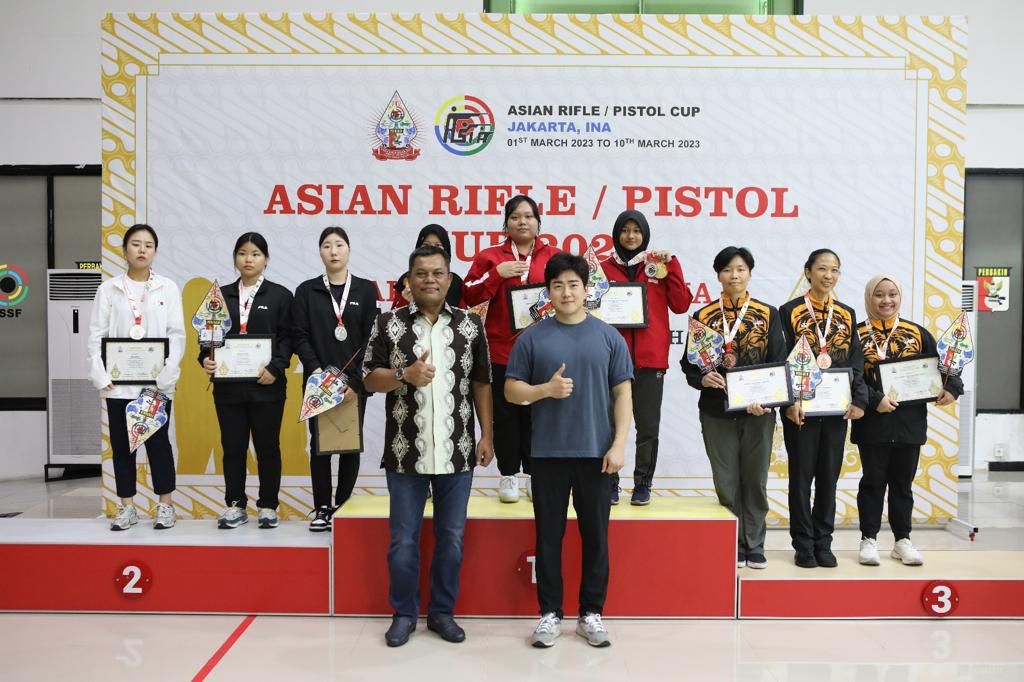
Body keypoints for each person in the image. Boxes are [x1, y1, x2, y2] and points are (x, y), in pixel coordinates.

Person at [363, 245, 494, 647]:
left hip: (458, 451)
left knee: (452, 538)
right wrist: (405, 373)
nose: (430, 280)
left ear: (450, 279)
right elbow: (369, 379)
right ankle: (403, 613)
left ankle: (441, 612)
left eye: (438, 273)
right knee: (403, 540)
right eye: (421, 274)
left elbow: (482, 383)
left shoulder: (471, 325)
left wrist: (487, 434)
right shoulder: (388, 324)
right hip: (405, 453)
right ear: (409, 280)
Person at [504, 253, 633, 649]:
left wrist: (619, 443)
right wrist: (546, 389)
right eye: (557, 285)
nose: (566, 292)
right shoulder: (531, 337)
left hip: (597, 455)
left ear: (586, 289)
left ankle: (591, 613)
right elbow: (511, 391)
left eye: (573, 284)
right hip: (547, 454)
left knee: (596, 537)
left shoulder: (608, 336)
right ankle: (550, 614)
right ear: (548, 292)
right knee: (549, 537)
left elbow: (623, 392)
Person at [681, 247, 786, 569]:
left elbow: (779, 362)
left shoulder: (768, 314)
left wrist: (766, 401)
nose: (735, 275)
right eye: (728, 270)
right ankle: (732, 541)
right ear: (718, 275)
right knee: (726, 480)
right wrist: (703, 378)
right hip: (716, 411)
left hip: (758, 413)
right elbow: (688, 365)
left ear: (750, 273)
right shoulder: (704, 316)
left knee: (754, 480)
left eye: (740, 269)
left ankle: (754, 543)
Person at [852, 275, 961, 566]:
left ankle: (902, 541)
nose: (886, 300)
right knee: (873, 483)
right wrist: (876, 400)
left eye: (892, 294)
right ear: (868, 298)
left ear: (900, 297)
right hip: (872, 423)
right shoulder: (856, 334)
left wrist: (952, 388)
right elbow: (852, 377)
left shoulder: (917, 332)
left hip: (909, 423)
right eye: (879, 295)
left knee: (902, 485)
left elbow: (943, 366)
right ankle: (869, 540)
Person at [87, 223, 185, 531]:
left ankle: (165, 505)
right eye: (136, 244)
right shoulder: (109, 289)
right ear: (124, 249)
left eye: (148, 245)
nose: (142, 250)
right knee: (122, 447)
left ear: (155, 251)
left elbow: (176, 334)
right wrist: (101, 375)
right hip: (118, 385)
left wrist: (167, 373)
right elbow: (96, 335)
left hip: (155, 385)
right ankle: (126, 506)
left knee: (158, 445)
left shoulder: (167, 288)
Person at [462, 195, 559, 503]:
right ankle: (508, 476)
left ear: (538, 222)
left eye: (529, 216)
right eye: (515, 216)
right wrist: (495, 275)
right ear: (506, 223)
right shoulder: (490, 256)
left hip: (542, 350)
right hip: (501, 350)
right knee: (505, 417)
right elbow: (467, 294)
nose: (522, 221)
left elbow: (571, 291)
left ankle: (533, 475)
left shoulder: (553, 256)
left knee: (537, 415)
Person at [780, 248, 869, 568]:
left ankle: (823, 541)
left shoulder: (846, 313)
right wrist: (790, 404)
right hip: (800, 411)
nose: (828, 275)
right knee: (801, 478)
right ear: (807, 272)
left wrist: (859, 400)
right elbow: (781, 361)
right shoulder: (788, 311)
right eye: (821, 269)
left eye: (834, 270)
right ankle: (803, 544)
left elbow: (856, 362)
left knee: (828, 478)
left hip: (835, 411)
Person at [199, 232, 293, 529]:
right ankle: (236, 505)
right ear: (235, 259)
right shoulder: (220, 296)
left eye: (255, 253)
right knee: (233, 448)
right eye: (242, 253)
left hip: (268, 387)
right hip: (229, 389)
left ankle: (268, 505)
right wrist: (205, 358)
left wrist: (276, 368)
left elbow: (289, 338)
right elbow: (206, 338)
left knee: (268, 448)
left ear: (265, 259)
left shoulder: (280, 295)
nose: (248, 259)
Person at [601, 209, 692, 505]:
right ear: (616, 234)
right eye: (625, 230)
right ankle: (610, 481)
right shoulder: (601, 268)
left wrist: (673, 265)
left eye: (636, 230)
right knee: (609, 426)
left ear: (645, 235)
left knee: (648, 427)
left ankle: (643, 484)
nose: (630, 236)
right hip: (612, 361)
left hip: (650, 361)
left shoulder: (660, 267)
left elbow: (680, 305)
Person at [292, 227, 379, 531]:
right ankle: (321, 507)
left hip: (355, 383)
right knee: (320, 445)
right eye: (327, 245)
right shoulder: (307, 290)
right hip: (319, 382)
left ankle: (342, 505)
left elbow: (372, 337)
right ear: (320, 252)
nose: (333, 250)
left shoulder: (366, 290)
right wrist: (316, 369)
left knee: (349, 443)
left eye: (339, 244)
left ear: (349, 249)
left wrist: (355, 379)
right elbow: (299, 335)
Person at [416, 224, 464, 307]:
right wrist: (407, 301)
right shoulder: (408, 280)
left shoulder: (455, 282)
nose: (432, 250)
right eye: (426, 245)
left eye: (438, 246)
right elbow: (393, 318)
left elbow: (463, 316)